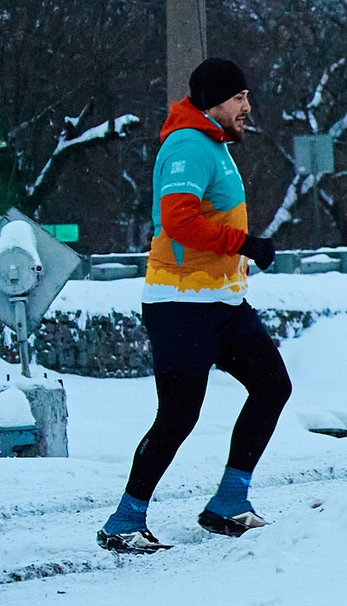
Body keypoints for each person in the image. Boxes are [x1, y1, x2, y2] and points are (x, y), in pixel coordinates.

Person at [96, 57, 290, 553]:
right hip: (180, 303)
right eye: (239, 98)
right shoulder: (187, 143)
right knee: (178, 417)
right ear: (214, 102)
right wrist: (245, 244)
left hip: (222, 301)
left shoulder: (213, 144)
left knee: (272, 386)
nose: (248, 107)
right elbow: (178, 220)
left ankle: (229, 502)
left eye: (247, 97)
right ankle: (125, 520)